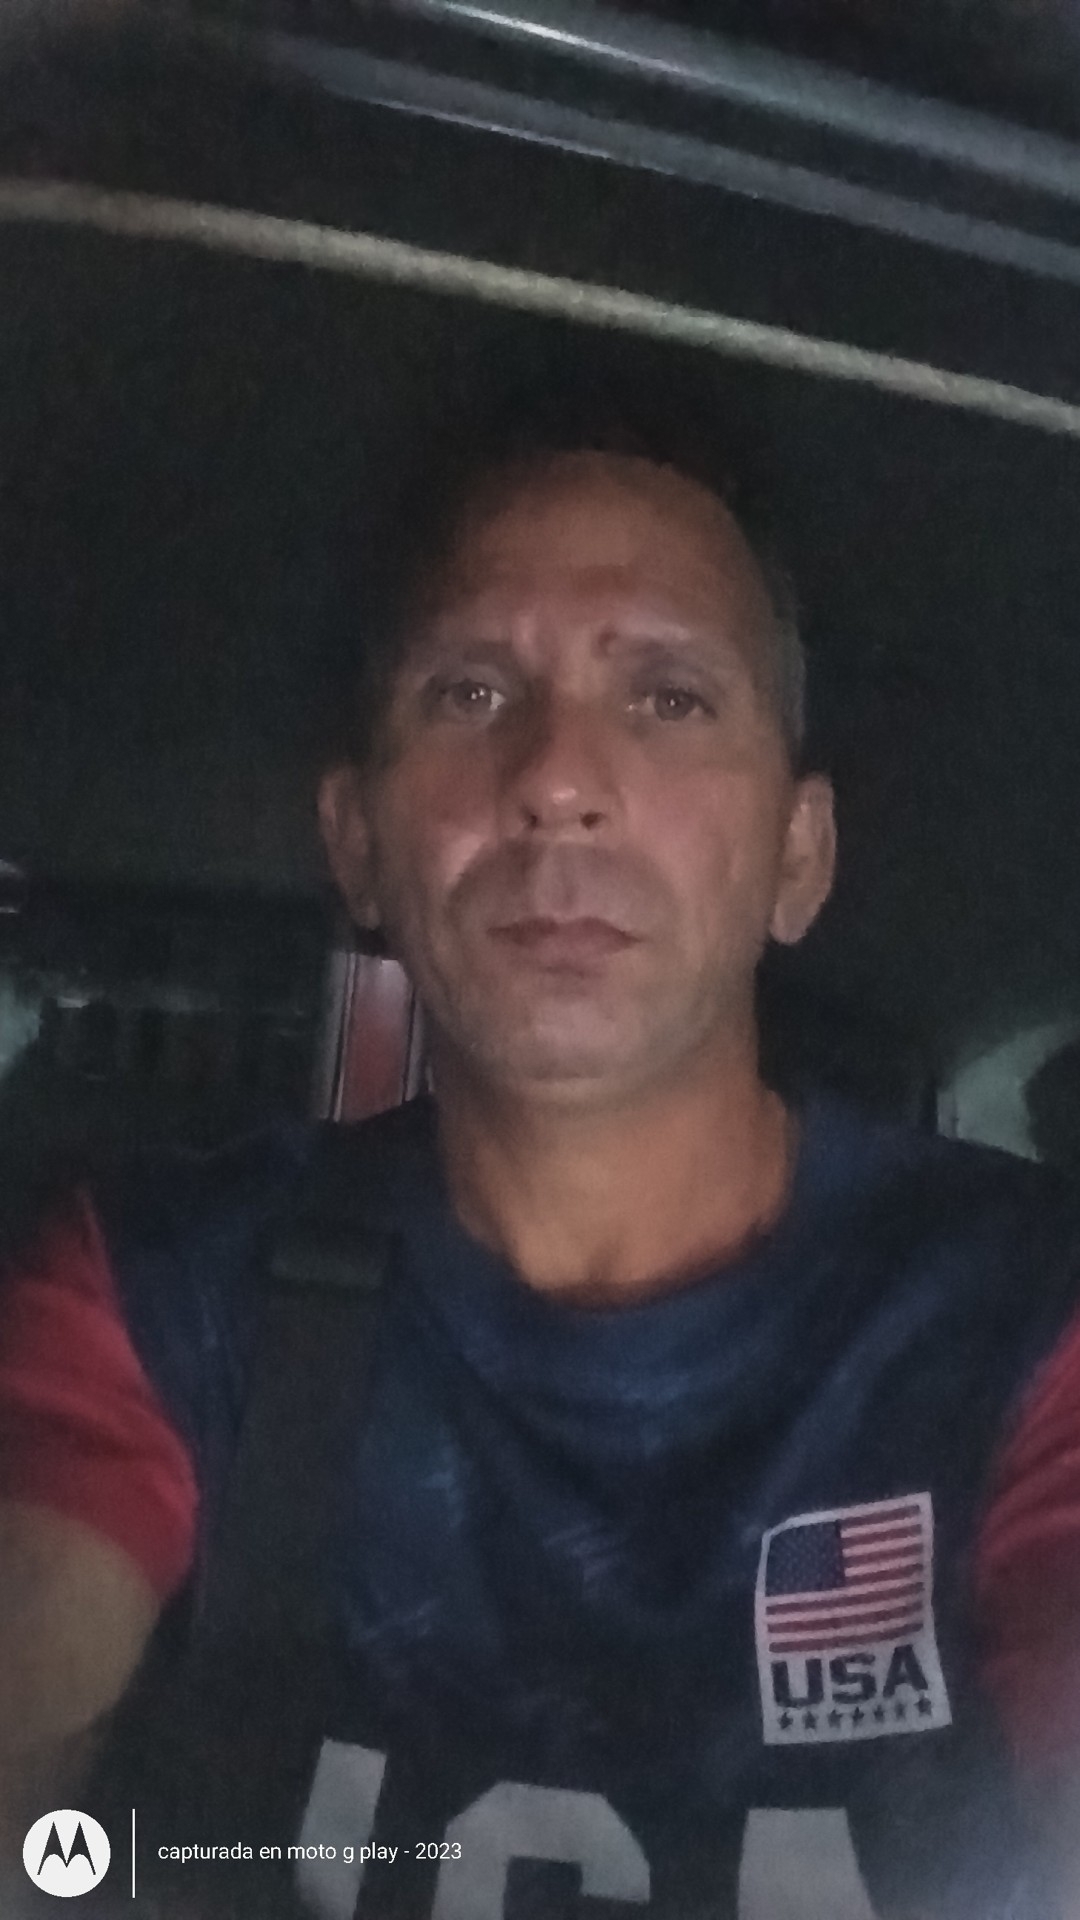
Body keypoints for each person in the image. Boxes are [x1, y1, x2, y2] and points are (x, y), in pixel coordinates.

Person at [2, 361, 1080, 1920]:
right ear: (358, 842)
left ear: (798, 857)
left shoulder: (1021, 1319)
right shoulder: (163, 1294)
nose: (559, 779)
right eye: (470, 693)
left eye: (670, 696)